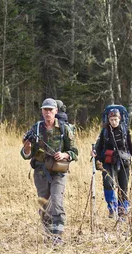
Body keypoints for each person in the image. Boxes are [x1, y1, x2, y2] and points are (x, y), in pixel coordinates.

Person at [21, 98, 78, 243]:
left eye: (50, 110)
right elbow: (26, 154)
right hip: (40, 172)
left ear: (56, 111)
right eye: (45, 110)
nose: (48, 113)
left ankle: (57, 236)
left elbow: (74, 151)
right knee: (45, 203)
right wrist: (26, 147)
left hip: (58, 171)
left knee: (57, 201)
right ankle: (48, 234)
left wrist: (64, 155)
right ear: (42, 111)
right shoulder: (36, 128)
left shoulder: (64, 128)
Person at [92, 108, 132, 219]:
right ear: (109, 119)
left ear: (119, 119)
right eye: (111, 119)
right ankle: (112, 208)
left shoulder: (125, 130)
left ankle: (122, 211)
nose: (113, 122)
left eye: (115, 119)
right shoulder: (105, 131)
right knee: (108, 183)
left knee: (123, 186)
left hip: (123, 161)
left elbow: (130, 145)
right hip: (108, 161)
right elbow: (99, 145)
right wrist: (95, 153)